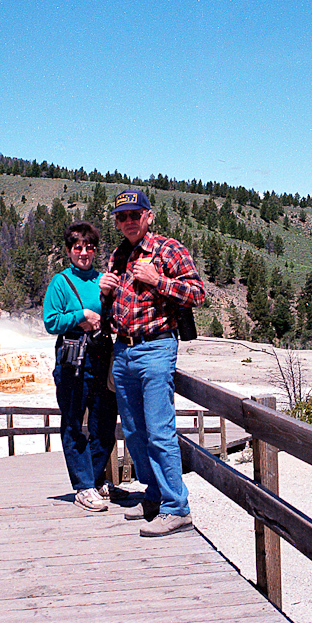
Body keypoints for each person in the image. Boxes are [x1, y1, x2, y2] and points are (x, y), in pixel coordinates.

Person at [99, 190, 205, 536]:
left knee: (159, 430)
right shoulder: (118, 255)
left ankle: (177, 508)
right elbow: (113, 309)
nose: (128, 221)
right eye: (122, 217)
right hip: (123, 350)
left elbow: (198, 294)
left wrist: (158, 281)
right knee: (134, 431)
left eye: (134, 215)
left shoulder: (168, 249)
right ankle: (156, 494)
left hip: (156, 348)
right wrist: (104, 292)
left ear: (149, 216)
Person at [43, 221, 120, 512]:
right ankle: (83, 487)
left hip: (101, 355)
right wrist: (80, 315)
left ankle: (98, 479)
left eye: (89, 247)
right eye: (78, 247)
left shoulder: (103, 280)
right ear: (68, 251)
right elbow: (51, 321)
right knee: (74, 422)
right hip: (73, 357)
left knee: (103, 422)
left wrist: (107, 304)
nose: (84, 252)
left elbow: (113, 317)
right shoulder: (60, 282)